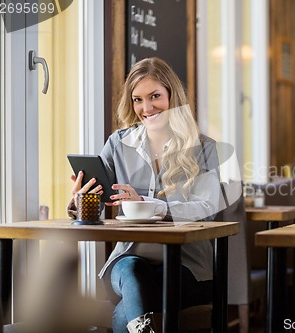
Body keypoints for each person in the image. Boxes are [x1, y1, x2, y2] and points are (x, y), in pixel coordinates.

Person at [69, 57, 221, 333]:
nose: (146, 108)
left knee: (133, 300)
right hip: (128, 262)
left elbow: (207, 207)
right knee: (133, 274)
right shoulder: (118, 143)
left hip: (188, 267)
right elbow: (99, 203)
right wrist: (83, 198)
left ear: (172, 96)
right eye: (138, 99)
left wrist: (151, 205)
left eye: (155, 97)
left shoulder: (203, 147)